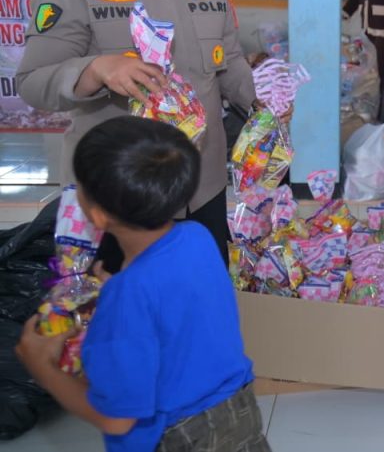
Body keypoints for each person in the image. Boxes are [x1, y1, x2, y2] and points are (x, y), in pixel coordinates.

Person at [16, 0, 255, 271]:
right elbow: (33, 82)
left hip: (202, 186)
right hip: (118, 194)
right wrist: (96, 69)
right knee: (120, 300)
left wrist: (262, 101)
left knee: (199, 294)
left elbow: (229, 61)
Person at [15, 116, 268, 452]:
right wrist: (121, 287)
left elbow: (118, 420)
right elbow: (176, 300)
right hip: (239, 415)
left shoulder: (126, 296)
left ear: (98, 215)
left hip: (177, 437)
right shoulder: (198, 237)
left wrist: (43, 369)